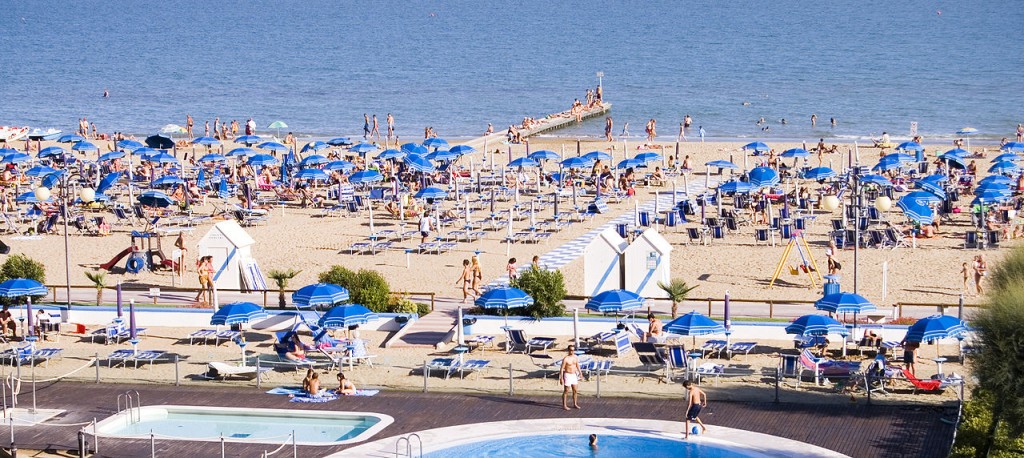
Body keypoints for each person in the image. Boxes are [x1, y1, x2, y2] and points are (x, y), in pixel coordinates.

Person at [559, 344, 582, 410]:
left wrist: (580, 373)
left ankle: (575, 404)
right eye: (571, 350)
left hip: (574, 375)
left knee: (575, 390)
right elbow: (562, 368)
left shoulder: (575, 357)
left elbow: (577, 365)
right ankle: (564, 405)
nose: (572, 352)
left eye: (573, 350)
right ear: (568, 350)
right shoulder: (566, 359)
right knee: (566, 390)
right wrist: (561, 378)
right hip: (567, 374)